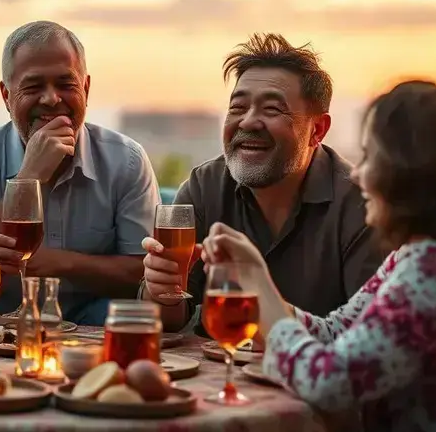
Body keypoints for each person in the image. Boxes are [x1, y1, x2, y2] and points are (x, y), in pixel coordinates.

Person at [203, 80, 436, 432]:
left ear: (412, 175)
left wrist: (258, 285)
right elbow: (340, 331)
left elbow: (329, 384)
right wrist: (262, 294)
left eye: (371, 158)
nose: (359, 174)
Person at [141, 33, 382, 333]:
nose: (248, 122)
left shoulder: (362, 203)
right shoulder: (204, 186)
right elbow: (166, 322)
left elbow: (369, 335)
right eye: (238, 108)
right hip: (217, 372)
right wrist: (161, 290)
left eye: (272, 110)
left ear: (317, 129)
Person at [0, 21, 160, 324]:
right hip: (2, 327)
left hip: (99, 329)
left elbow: (145, 274)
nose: (51, 99)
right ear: (6, 96)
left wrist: (61, 263)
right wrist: (29, 176)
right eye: (33, 87)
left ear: (85, 88)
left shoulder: (126, 161)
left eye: (65, 84)